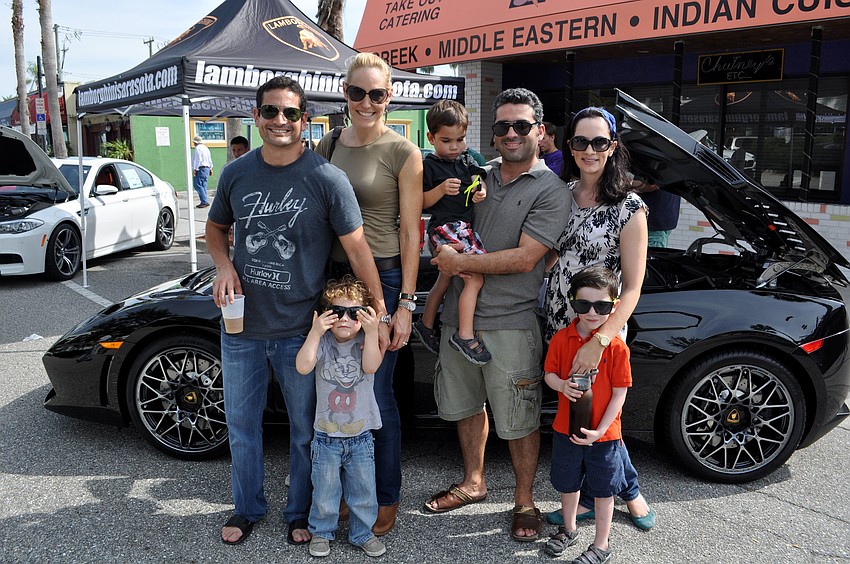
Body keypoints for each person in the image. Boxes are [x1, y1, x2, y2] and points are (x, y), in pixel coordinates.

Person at [206, 75, 388, 547]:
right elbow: (215, 228)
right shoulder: (236, 173)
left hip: (301, 331)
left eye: (290, 112)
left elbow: (358, 248)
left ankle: (299, 513)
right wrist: (223, 265)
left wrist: (382, 311)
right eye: (270, 111)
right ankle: (247, 508)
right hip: (241, 327)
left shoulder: (327, 178)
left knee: (306, 432)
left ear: (305, 119)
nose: (280, 120)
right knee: (241, 428)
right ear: (256, 116)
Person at [423, 88, 570, 543]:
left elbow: (526, 259)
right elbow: (439, 220)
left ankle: (524, 500)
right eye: (503, 125)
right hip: (459, 320)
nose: (511, 133)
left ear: (539, 131)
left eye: (521, 125)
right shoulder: (474, 173)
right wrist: (440, 251)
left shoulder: (551, 190)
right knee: (467, 407)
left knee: (519, 418)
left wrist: (458, 262)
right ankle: (474, 482)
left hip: (511, 322)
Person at [314, 52, 423, 536]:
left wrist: (405, 305)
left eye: (376, 93)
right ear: (345, 93)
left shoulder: (403, 152)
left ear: (389, 96)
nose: (366, 102)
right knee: (337, 387)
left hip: (384, 276)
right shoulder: (329, 144)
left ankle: (385, 495)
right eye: (357, 92)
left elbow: (410, 233)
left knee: (376, 393)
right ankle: (343, 491)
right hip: (335, 279)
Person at [543, 106, 655, 531]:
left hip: (600, 330)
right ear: (569, 146)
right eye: (580, 141)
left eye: (598, 142)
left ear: (612, 146)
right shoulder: (562, 194)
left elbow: (633, 288)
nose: (589, 150)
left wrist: (600, 340)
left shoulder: (629, 207)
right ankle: (598, 497)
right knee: (578, 415)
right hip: (561, 325)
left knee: (602, 418)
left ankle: (627, 491)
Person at [543, 266, 631, 563]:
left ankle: (601, 544)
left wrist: (602, 430)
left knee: (604, 491)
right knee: (567, 483)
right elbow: (549, 374)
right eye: (584, 305)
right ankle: (569, 529)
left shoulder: (616, 347)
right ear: (573, 303)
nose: (592, 313)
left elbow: (620, 393)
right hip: (566, 428)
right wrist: (561, 385)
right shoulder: (561, 339)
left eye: (602, 306)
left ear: (614, 306)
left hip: (604, 436)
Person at [295, 276, 387, 558]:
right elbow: (302, 366)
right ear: (326, 315)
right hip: (326, 436)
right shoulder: (322, 342)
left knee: (363, 491)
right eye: (337, 312)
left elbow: (370, 367)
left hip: (361, 436)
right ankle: (322, 531)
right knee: (325, 491)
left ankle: (362, 533)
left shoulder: (365, 342)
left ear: (364, 316)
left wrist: (372, 332)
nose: (345, 319)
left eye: (354, 312)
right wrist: (314, 333)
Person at [412, 100, 489, 363]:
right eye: (447, 141)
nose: (454, 146)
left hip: (463, 228)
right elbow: (419, 202)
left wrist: (480, 191)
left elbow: (479, 177)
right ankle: (464, 335)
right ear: (431, 138)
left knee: (444, 278)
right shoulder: (428, 165)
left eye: (460, 139)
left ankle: (426, 323)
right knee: (475, 278)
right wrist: (441, 190)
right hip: (444, 228)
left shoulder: (466, 160)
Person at [192, 135, 213, 208]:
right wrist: (210, 168)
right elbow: (209, 159)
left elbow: (197, 159)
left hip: (200, 168)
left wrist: (195, 169)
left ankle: (204, 201)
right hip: (206, 168)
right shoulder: (206, 148)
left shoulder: (198, 149)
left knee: (197, 185)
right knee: (204, 185)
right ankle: (204, 200)